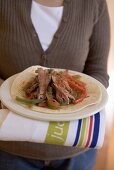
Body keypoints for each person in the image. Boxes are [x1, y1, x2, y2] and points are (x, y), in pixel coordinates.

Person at [0, 0, 110, 169]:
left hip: (76, 149)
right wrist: (6, 94)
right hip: (12, 148)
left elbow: (98, 71)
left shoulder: (94, 4)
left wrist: (75, 97)